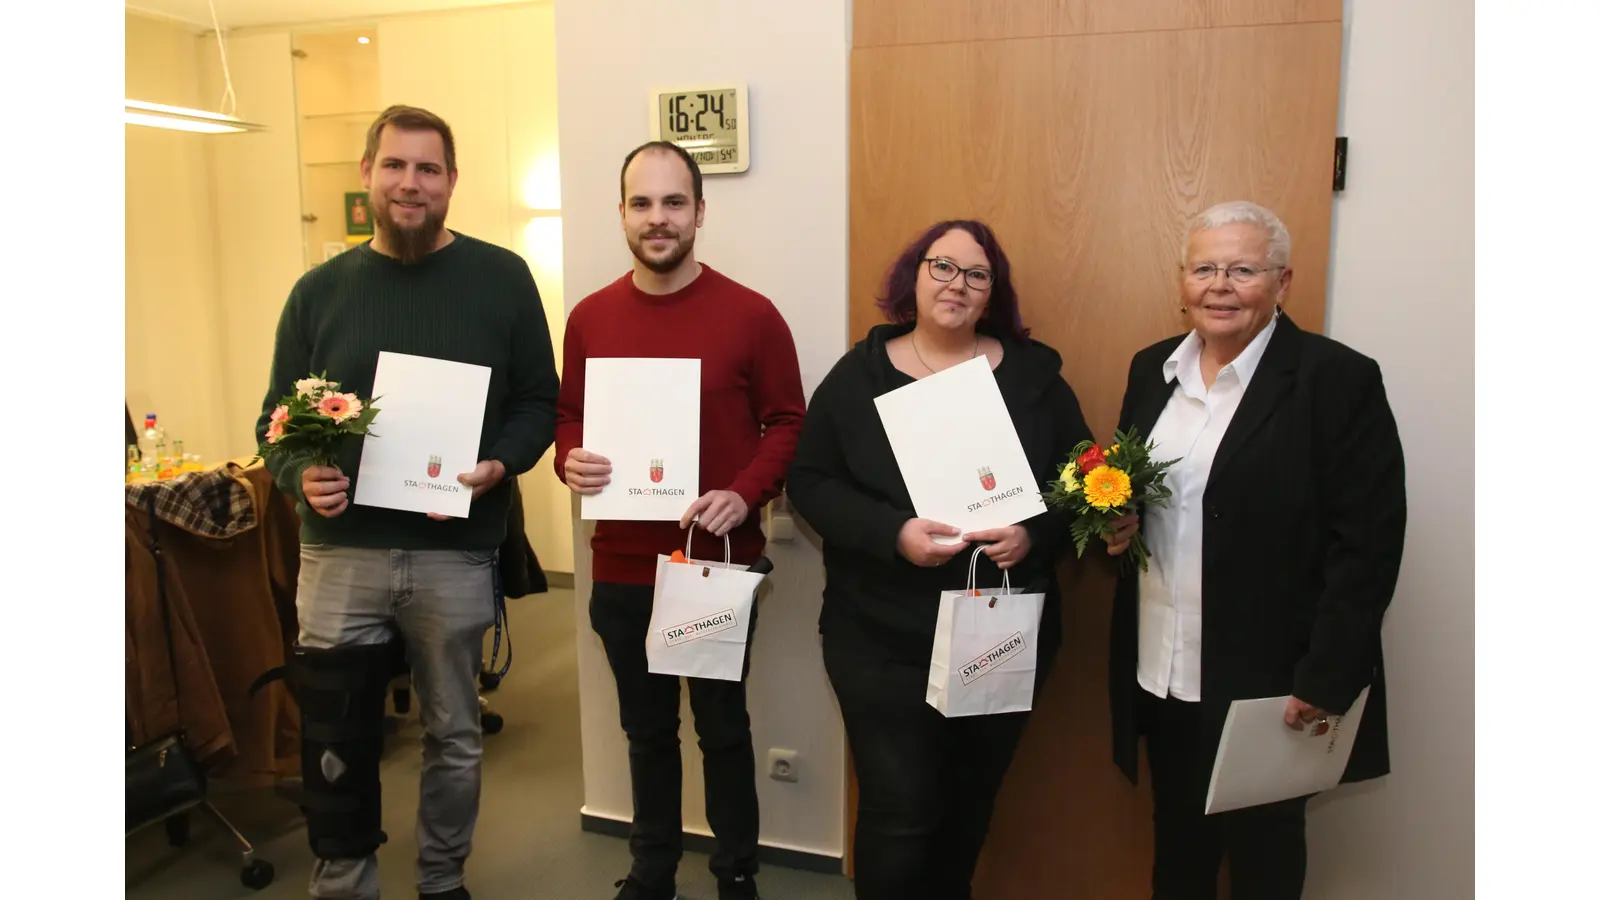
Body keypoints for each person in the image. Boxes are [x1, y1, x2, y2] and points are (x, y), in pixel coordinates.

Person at [255, 105, 559, 900]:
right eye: (394, 166)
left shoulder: (502, 278)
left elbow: (538, 400)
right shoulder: (317, 292)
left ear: (452, 183)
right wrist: (297, 476)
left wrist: (502, 462)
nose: (410, 183)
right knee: (336, 730)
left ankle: (440, 880)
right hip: (337, 550)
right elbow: (275, 422)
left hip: (453, 550)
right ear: (366, 175)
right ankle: (343, 881)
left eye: (428, 169)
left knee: (453, 735)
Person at [1103, 200, 1406, 900]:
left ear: (1282, 282)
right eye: (1205, 267)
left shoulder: (1336, 381)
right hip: (1165, 669)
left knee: (1265, 861)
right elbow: (1151, 494)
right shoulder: (1152, 370)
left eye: (1243, 269)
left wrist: (1327, 676)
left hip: (1271, 686)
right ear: (1182, 281)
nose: (1220, 285)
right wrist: (1122, 526)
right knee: (1178, 849)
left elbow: (1367, 545)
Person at [785, 220, 1093, 900]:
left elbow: (1086, 480)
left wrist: (1033, 534)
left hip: (999, 632)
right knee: (901, 811)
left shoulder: (1036, 378)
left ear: (994, 293)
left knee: (967, 805)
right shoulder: (860, 375)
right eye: (942, 266)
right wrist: (894, 533)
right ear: (913, 277)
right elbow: (809, 482)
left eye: (976, 274)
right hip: (880, 637)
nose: (958, 283)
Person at [555, 141, 806, 900]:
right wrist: (570, 459)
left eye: (673, 203)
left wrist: (746, 491)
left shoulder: (752, 315)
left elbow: (789, 421)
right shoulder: (590, 318)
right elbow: (569, 419)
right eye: (642, 203)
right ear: (621, 213)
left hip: (712, 570)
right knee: (646, 734)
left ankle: (735, 873)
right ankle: (652, 870)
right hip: (625, 566)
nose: (657, 219)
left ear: (700, 211)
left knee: (723, 733)